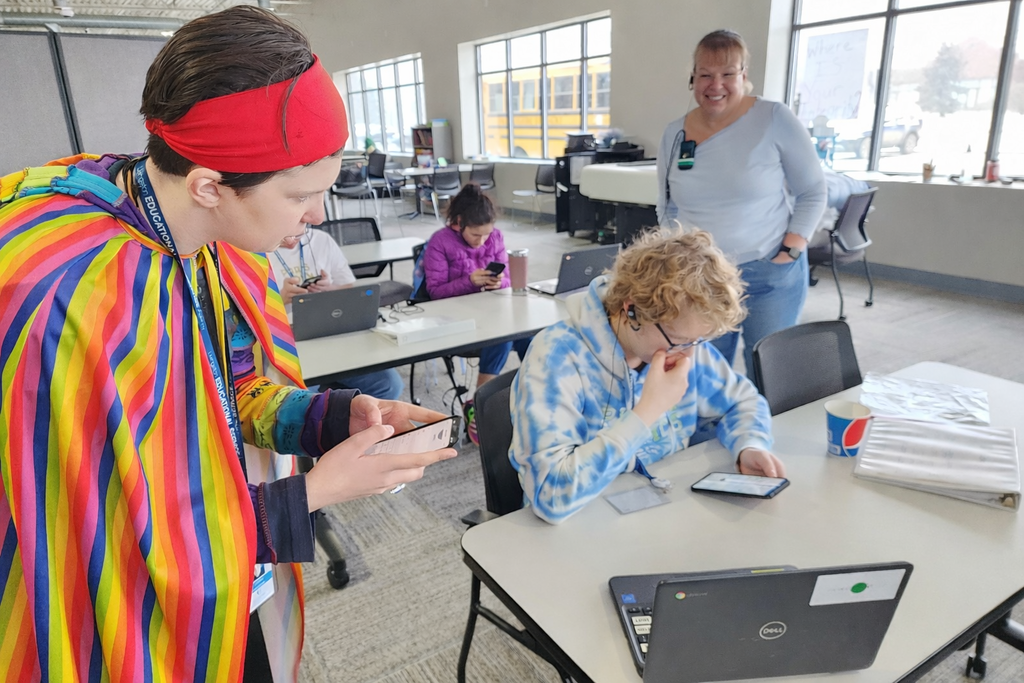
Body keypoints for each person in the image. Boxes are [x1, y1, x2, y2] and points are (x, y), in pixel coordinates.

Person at [0, 7, 456, 682]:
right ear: (210, 185)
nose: (317, 218)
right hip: (124, 627)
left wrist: (332, 416)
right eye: (302, 195)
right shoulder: (61, 291)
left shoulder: (222, 240)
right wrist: (310, 496)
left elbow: (231, 390)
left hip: (236, 573)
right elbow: (99, 533)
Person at [510, 227, 784, 524]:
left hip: (660, 511)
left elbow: (743, 400)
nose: (689, 356)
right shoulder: (556, 357)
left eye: (697, 342)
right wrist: (647, 411)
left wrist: (750, 445)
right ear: (631, 311)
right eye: (680, 340)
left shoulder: (683, 343)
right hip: (580, 527)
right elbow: (550, 496)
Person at [656, 29, 826, 374]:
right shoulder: (675, 134)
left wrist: (790, 250)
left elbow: (812, 190)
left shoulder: (773, 118)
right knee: (702, 376)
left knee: (768, 372)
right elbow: (667, 206)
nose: (715, 85)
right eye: (705, 74)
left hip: (768, 271)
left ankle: (761, 430)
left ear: (744, 76)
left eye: (727, 74)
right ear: (693, 79)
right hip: (698, 280)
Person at [421, 183, 529, 443]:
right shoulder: (439, 242)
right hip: (453, 318)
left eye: (486, 235)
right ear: (458, 224)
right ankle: (480, 402)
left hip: (491, 309)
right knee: (502, 336)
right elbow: (435, 292)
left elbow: (506, 280)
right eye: (475, 236)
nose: (482, 242)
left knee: (531, 336)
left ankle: (531, 397)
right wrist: (471, 281)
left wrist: (498, 282)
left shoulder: (496, 237)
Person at [271, 225, 404, 399]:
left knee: (389, 385)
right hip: (288, 342)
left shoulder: (321, 240)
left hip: (332, 333)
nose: (291, 242)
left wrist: (330, 290)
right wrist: (280, 299)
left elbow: (348, 288)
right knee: (300, 397)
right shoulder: (255, 249)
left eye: (297, 235)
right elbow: (246, 315)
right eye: (286, 236)